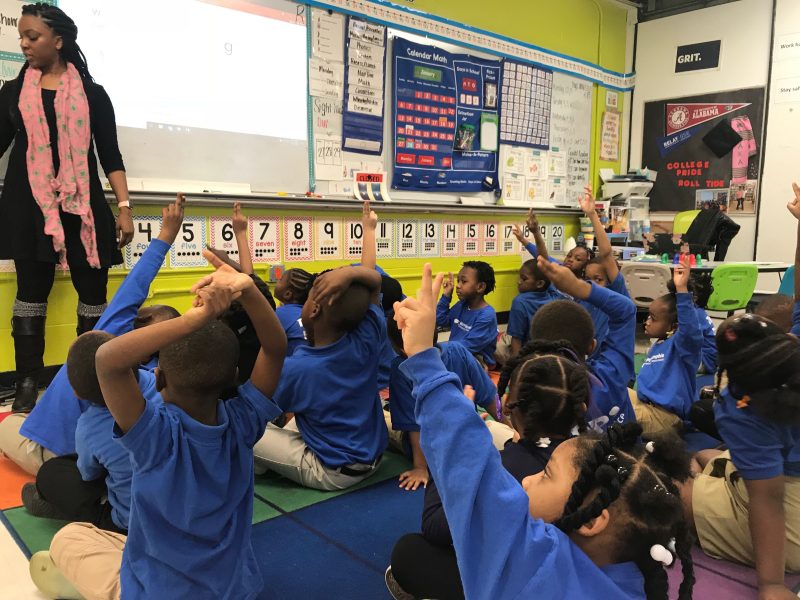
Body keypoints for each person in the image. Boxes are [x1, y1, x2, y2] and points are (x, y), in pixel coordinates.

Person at [385, 264, 694, 600]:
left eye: (546, 475)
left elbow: (464, 474)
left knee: (409, 552)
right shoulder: (636, 571)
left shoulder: (536, 564)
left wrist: (424, 363)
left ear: (592, 522)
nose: (530, 480)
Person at [30, 249, 287, 600]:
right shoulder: (244, 424)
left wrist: (195, 318)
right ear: (236, 376)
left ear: (159, 377)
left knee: (70, 537)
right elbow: (275, 349)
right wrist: (250, 290)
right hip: (236, 591)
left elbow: (106, 360)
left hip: (158, 593)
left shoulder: (155, 437)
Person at [1, 3, 134, 413]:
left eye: (32, 37)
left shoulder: (93, 95)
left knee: (93, 293)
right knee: (29, 294)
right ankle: (26, 383)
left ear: (58, 40)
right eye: (21, 36)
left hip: (84, 208)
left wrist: (124, 207)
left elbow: (109, 154)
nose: (23, 43)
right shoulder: (11, 92)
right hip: (30, 205)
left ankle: (88, 382)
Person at [388, 339, 591, 600]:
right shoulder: (593, 454)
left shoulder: (508, 468)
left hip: (520, 581)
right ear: (580, 408)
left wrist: (449, 438)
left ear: (507, 404)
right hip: (567, 573)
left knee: (409, 553)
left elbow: (436, 526)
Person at [0, 194, 185, 476]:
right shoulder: (154, 379)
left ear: (143, 318)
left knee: (8, 426)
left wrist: (165, 236)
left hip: (61, 457)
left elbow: (134, 289)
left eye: (145, 311)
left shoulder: (108, 343)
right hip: (110, 461)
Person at [252, 202, 388, 490]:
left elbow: (251, 412)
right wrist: (365, 238)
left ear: (313, 311)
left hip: (332, 470)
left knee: (244, 431)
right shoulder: (367, 337)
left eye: (310, 296)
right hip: (373, 457)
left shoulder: (298, 368)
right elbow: (373, 283)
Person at [684, 313, 800, 599]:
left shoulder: (739, 407)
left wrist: (771, 584)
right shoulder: (790, 356)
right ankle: (715, 492)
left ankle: (708, 497)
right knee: (703, 455)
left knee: (663, 488)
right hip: (780, 477)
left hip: (789, 508)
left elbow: (768, 500)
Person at [23, 330, 159, 533]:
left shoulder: (89, 427)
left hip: (129, 524)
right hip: (180, 509)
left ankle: (83, 515)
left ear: (76, 392)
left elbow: (88, 474)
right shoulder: (162, 387)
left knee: (50, 472)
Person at [385, 317, 499, 491]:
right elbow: (489, 396)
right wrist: (510, 428)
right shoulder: (457, 349)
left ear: (400, 347)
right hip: (472, 435)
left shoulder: (401, 368)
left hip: (436, 450)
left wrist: (420, 467)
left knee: (383, 419)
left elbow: (414, 426)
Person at [535, 259, 638, 432]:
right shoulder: (611, 376)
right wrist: (581, 288)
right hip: (629, 456)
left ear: (537, 350)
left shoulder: (537, 395)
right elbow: (626, 311)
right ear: (591, 346)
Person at [633, 257, 702, 437]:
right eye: (648, 316)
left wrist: (682, 290)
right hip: (647, 407)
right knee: (612, 391)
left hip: (667, 417)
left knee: (619, 414)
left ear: (674, 326)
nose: (647, 323)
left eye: (653, 319)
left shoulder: (683, 346)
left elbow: (690, 330)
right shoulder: (659, 343)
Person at [578, 186, 630, 353]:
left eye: (598, 279)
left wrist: (593, 215)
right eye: (588, 279)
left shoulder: (618, 295)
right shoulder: (584, 299)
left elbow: (606, 254)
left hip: (613, 367)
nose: (591, 284)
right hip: (591, 363)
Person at [436, 261, 498, 368]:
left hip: (476, 357)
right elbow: (441, 320)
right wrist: (446, 295)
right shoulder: (462, 305)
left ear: (480, 287)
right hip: (456, 351)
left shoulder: (487, 315)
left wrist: (439, 349)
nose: (458, 286)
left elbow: (468, 346)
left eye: (463, 281)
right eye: (458, 281)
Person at [495, 258, 553, 365]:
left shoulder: (520, 302)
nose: (518, 282)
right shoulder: (554, 297)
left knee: (497, 347)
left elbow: (516, 339)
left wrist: (515, 368)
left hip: (528, 355)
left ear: (540, 283)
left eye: (524, 279)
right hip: (550, 355)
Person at [514, 207, 595, 279]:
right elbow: (542, 256)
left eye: (578, 259)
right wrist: (529, 236)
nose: (570, 259)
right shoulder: (558, 268)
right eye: (569, 255)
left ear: (585, 266)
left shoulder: (584, 286)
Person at [273, 268, 314, 356]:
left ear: (288, 294)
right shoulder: (309, 313)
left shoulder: (280, 313)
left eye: (280, 280)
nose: (277, 282)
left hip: (293, 366)